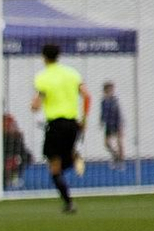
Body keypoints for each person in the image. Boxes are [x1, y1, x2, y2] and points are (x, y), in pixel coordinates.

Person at [31, 43, 91, 214]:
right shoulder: (72, 73)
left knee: (54, 166)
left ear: (44, 57)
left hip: (56, 125)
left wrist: (34, 106)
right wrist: (84, 119)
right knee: (61, 160)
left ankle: (69, 203)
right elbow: (87, 95)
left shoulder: (42, 77)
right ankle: (72, 157)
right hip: (73, 124)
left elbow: (37, 103)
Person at [100, 81, 125, 167]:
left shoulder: (114, 101)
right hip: (108, 124)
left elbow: (118, 113)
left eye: (111, 89)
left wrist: (120, 125)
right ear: (105, 91)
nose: (111, 91)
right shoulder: (103, 101)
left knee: (119, 141)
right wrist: (102, 121)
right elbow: (103, 113)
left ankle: (121, 161)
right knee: (107, 143)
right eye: (108, 90)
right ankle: (115, 156)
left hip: (116, 124)